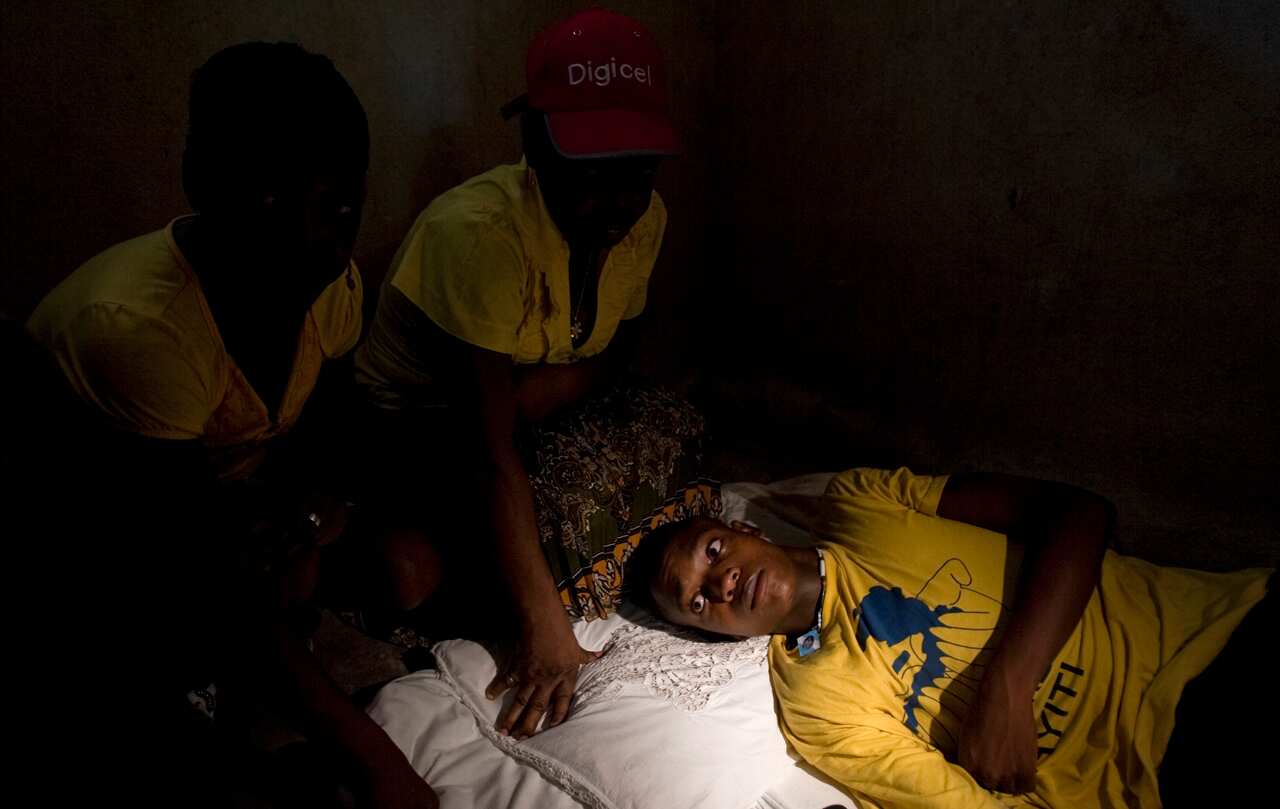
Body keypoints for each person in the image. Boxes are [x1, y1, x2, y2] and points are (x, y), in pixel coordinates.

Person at [25, 42, 437, 808]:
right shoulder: (143, 329)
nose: (320, 228)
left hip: (225, 498)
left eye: (340, 202)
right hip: (97, 518)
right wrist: (378, 761)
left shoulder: (328, 285)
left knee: (401, 566)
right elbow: (192, 561)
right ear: (205, 185)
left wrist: (311, 514)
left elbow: (336, 432)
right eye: (268, 197)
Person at [353, 7, 699, 743]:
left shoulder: (646, 220)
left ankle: (506, 561)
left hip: (537, 402)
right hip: (420, 428)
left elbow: (616, 357)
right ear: (536, 148)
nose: (617, 202)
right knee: (409, 574)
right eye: (591, 174)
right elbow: (486, 443)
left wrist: (552, 388)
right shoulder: (478, 237)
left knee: (677, 428)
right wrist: (543, 628)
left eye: (636, 172)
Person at [634, 466, 1273, 809]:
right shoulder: (816, 705)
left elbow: (1077, 513)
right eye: (697, 601)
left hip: (1211, 629)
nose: (721, 582)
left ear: (751, 533)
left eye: (712, 551)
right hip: (1152, 773)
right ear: (713, 635)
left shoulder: (864, 505)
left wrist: (1011, 682)